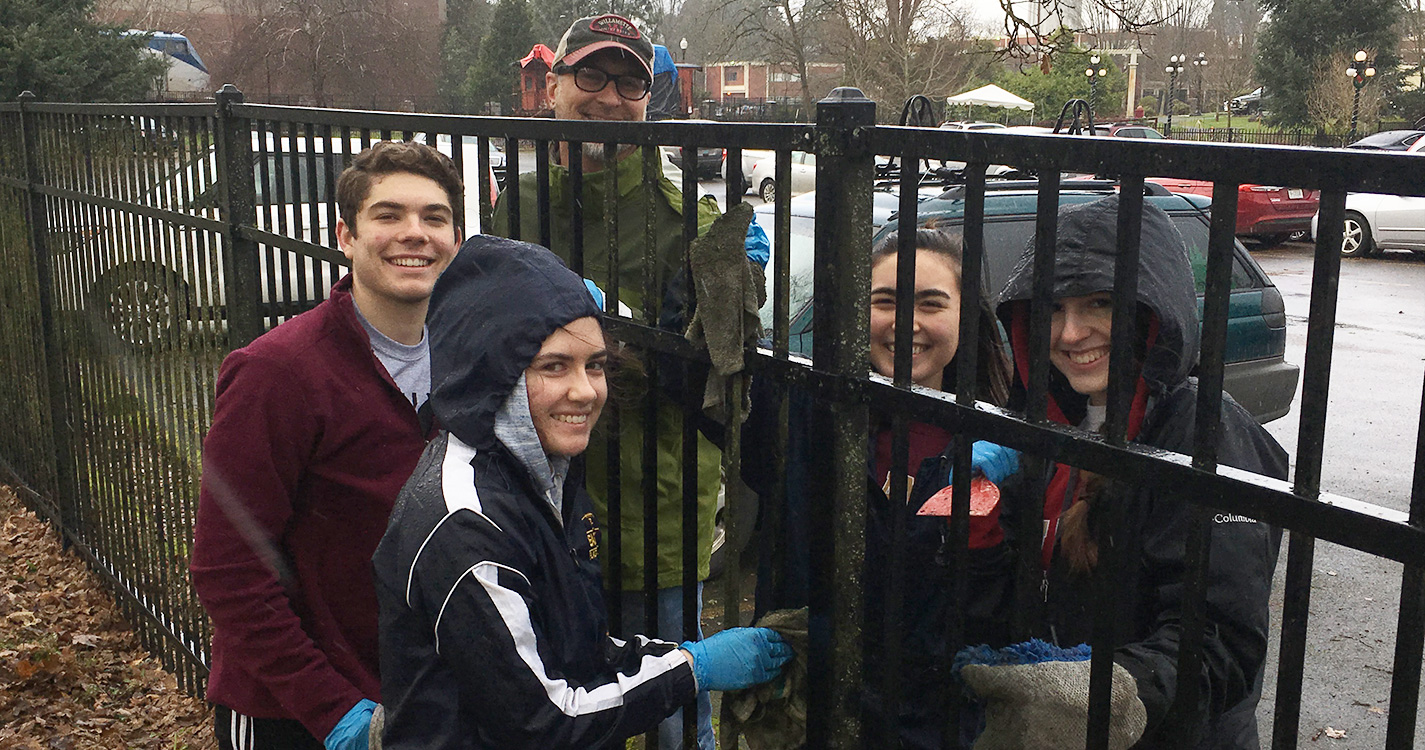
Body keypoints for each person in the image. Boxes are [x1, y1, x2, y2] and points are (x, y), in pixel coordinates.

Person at [372, 236, 792, 749]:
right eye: (553, 366)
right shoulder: (468, 526)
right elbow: (547, 720)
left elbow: (572, 644)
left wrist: (670, 658)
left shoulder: (545, 474)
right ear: (492, 373)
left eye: (594, 364)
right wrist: (693, 670)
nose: (586, 390)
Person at [488, 13, 766, 749]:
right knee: (558, 701)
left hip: (653, 504)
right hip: (533, 503)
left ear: (652, 99)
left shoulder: (691, 220)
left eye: (630, 82)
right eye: (591, 75)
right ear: (553, 87)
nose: (610, 97)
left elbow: (703, 376)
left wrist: (639, 326)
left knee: (672, 712)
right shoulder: (516, 203)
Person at [958, 195, 1288, 750]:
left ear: (1152, 311)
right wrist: (975, 530)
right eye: (1052, 309)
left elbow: (1220, 637)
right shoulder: (1041, 427)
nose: (1069, 333)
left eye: (1101, 303)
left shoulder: (1205, 434)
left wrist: (1116, 691)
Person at [190, 140, 462, 750]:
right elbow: (228, 570)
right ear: (346, 235)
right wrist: (334, 711)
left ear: (456, 240)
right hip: (297, 713)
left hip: (421, 701)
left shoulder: (469, 366)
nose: (414, 234)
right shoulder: (277, 374)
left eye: (434, 217)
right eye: (388, 215)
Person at [742, 226, 1018, 748]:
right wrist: (712, 282)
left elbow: (1008, 617)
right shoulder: (809, 417)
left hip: (942, 727)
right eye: (885, 301)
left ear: (966, 316)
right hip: (816, 715)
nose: (906, 323)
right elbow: (701, 385)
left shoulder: (1002, 445)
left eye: (932, 303)